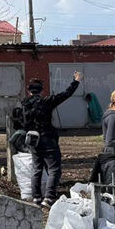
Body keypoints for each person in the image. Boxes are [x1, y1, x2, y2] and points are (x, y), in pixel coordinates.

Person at [21, 71, 81, 206]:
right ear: (41, 91)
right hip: (47, 138)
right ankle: (49, 197)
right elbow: (66, 94)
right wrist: (76, 81)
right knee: (54, 169)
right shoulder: (46, 102)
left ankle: (36, 197)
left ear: (29, 91)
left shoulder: (24, 104)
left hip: (32, 140)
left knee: (37, 169)